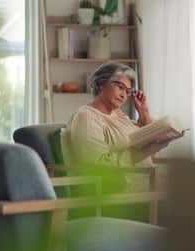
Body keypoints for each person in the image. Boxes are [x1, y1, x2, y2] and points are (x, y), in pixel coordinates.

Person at [66, 62, 169, 192]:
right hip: (121, 188)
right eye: (120, 87)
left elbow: (141, 138)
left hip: (147, 182)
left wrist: (143, 112)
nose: (124, 96)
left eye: (127, 91)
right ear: (101, 84)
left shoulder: (118, 115)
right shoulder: (86, 116)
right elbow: (95, 163)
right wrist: (138, 152)